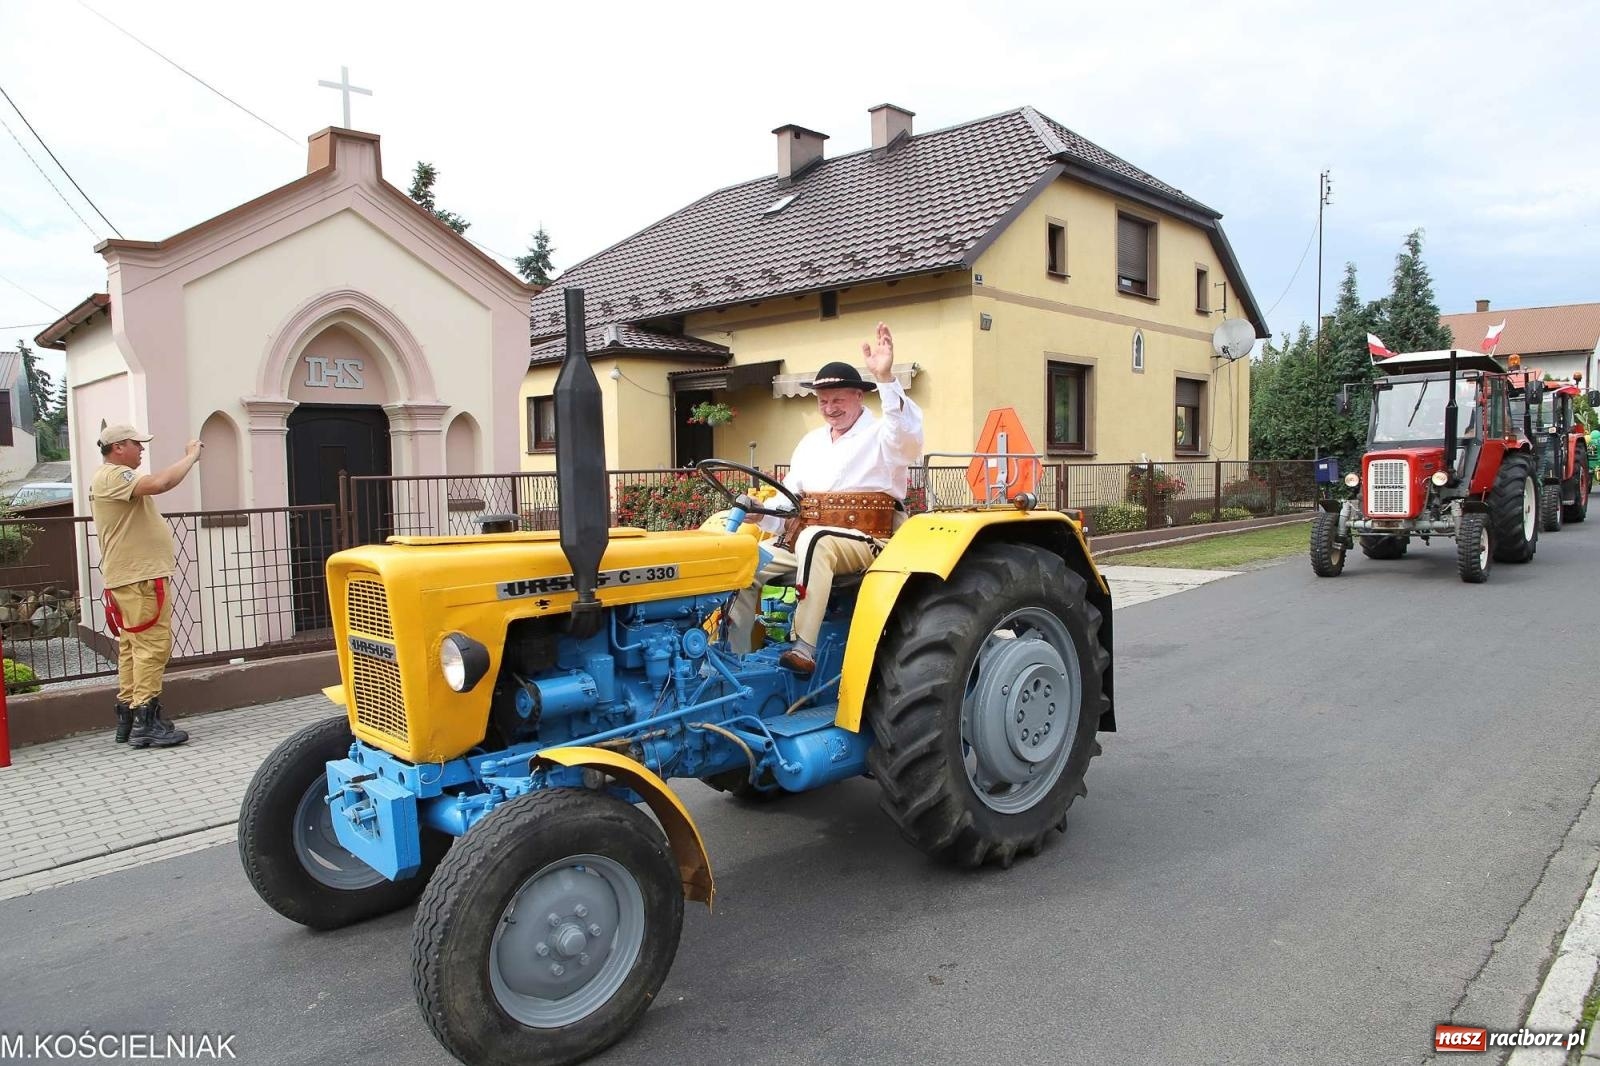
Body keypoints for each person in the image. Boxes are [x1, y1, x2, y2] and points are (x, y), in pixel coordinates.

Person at [730, 322, 924, 675]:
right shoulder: (811, 444)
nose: (830, 408)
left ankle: (804, 646)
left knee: (815, 539)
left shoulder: (884, 434)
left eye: (837, 400)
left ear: (859, 397)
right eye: (823, 401)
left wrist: (886, 379)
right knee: (740, 560)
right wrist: (761, 513)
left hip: (870, 541)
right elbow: (789, 499)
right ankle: (733, 659)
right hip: (805, 543)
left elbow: (908, 437)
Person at [89, 423, 203, 748]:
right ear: (119, 447)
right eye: (137, 445)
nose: (142, 450)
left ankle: (128, 715)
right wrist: (191, 456)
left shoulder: (108, 478)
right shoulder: (114, 476)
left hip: (128, 576)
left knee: (132, 648)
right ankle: (146, 721)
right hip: (140, 578)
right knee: (152, 646)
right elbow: (161, 483)